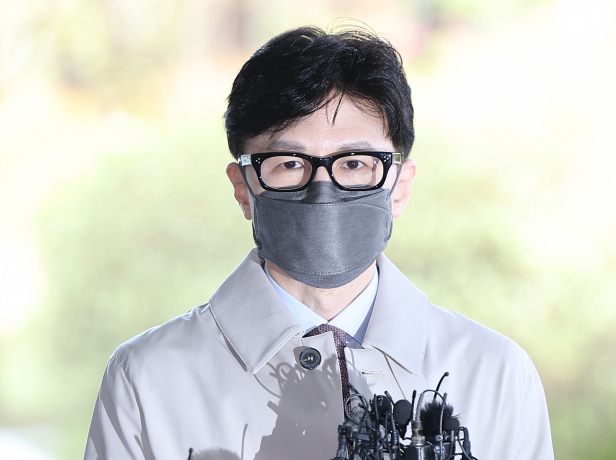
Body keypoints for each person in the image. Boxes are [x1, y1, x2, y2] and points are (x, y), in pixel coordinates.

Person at [83, 26, 554, 460]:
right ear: (243, 188)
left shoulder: (496, 375)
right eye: (289, 163)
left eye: (355, 163)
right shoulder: (146, 380)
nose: (322, 188)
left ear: (400, 187)